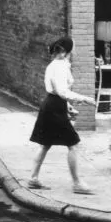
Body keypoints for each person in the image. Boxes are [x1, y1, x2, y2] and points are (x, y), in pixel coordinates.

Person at [27, 37, 98, 195]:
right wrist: (85, 99)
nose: (74, 50)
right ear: (66, 51)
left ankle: (33, 179)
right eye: (72, 47)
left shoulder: (55, 65)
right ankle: (77, 183)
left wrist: (68, 106)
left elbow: (58, 93)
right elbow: (62, 92)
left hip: (52, 105)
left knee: (45, 144)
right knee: (73, 144)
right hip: (54, 107)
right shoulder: (59, 67)